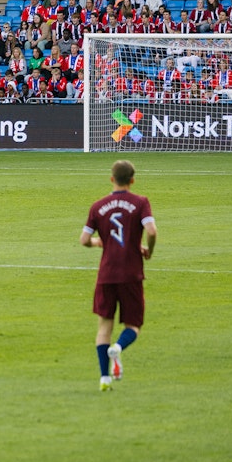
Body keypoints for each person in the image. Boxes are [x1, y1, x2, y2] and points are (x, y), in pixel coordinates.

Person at [80, 160, 157, 392]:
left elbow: (84, 240)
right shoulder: (140, 202)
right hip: (131, 273)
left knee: (104, 327)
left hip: (106, 274)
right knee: (133, 326)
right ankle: (119, 348)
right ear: (132, 180)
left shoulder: (98, 206)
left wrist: (97, 242)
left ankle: (104, 378)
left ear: (111, 179)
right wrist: (148, 250)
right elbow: (152, 231)